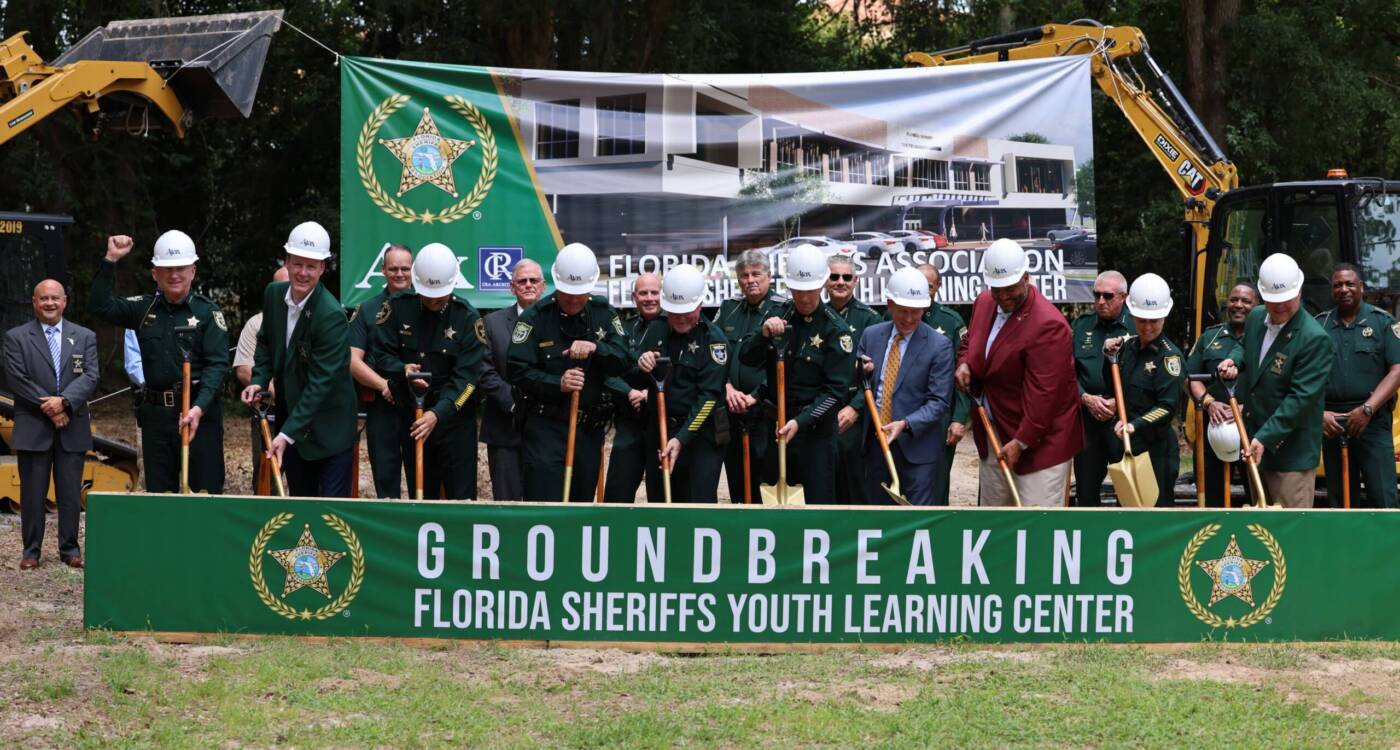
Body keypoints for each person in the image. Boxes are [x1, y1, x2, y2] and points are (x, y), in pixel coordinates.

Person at [89, 231, 230, 493]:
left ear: (193, 271)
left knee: (205, 494)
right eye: (166, 269)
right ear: (155, 274)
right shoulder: (144, 308)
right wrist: (110, 260)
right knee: (159, 495)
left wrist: (198, 409)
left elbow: (218, 366)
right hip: (156, 417)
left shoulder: (208, 313)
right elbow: (100, 306)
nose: (174, 275)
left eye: (180, 268)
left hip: (199, 415)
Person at [955, 238, 1082, 506]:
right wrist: (965, 362)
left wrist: (1020, 442)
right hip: (992, 429)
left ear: (1026, 278)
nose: (1002, 297)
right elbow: (971, 340)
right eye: (997, 289)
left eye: (1010, 289)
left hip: (1039, 442)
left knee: (1036, 526)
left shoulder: (1048, 325)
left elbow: (1045, 396)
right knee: (994, 524)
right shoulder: (984, 302)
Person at [240, 221, 359, 497]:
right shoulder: (273, 295)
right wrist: (258, 380)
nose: (302, 273)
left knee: (330, 513)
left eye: (311, 266)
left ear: (322, 268)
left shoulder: (331, 316)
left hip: (330, 432)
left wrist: (284, 434)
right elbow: (266, 343)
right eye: (297, 264)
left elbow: (320, 385)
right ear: (287, 262)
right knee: (300, 506)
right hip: (292, 424)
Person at [507, 243, 629, 502]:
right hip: (545, 429)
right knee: (544, 503)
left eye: (580, 294)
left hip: (587, 429)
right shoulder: (535, 317)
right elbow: (516, 370)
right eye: (567, 294)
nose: (574, 300)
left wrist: (597, 348)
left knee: (580, 507)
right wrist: (556, 383)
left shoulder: (603, 313)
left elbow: (624, 360)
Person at [740, 244, 855, 504]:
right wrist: (763, 334)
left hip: (814, 434)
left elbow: (835, 392)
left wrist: (800, 422)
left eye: (810, 291)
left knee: (816, 508)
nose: (804, 298)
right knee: (772, 505)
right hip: (775, 427)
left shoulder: (836, 330)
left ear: (823, 283)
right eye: (798, 290)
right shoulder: (778, 314)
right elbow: (746, 357)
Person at [369, 243, 485, 499]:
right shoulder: (397, 306)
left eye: (439, 296)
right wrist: (402, 369)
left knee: (461, 498)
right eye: (427, 294)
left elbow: (468, 381)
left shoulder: (467, 317)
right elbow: (380, 354)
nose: (433, 300)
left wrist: (437, 414)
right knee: (422, 495)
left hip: (453, 418)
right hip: (413, 415)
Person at [1217, 253, 1333, 507]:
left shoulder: (1314, 339)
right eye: (1272, 301)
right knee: (1260, 532)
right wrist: (1234, 361)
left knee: (1289, 535)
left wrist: (1264, 438)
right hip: (1255, 443)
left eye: (1285, 301)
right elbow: (1245, 345)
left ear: (1299, 292)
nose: (1279, 307)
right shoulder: (1257, 316)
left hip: (1290, 456)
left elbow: (1300, 400)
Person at [4, 280, 98, 570]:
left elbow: (92, 376)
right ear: (34, 302)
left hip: (73, 424)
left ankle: (69, 549)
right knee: (32, 493)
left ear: (65, 301)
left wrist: (65, 402)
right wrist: (52, 409)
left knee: (70, 493)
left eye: (54, 298)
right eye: (43, 298)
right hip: (34, 424)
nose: (49, 303)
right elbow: (16, 379)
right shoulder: (16, 337)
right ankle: (31, 551)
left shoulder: (84, 336)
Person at [856, 266, 953, 506]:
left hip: (917, 452)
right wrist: (860, 371)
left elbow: (939, 402)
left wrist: (906, 424)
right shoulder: (870, 335)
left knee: (914, 523)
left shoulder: (939, 345)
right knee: (878, 519)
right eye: (903, 311)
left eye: (916, 312)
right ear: (889, 304)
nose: (909, 319)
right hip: (877, 446)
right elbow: (858, 381)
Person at [632, 265, 728, 502]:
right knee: (660, 503)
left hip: (699, 436)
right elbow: (633, 374)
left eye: (688, 312)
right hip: (660, 432)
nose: (682, 318)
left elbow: (709, 399)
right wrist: (642, 365)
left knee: (696, 507)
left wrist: (681, 438)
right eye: (675, 313)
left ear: (700, 304)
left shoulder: (714, 341)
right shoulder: (655, 329)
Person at [1317, 264, 1400, 508]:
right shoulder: (1318, 326)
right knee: (1340, 503)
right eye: (1338, 285)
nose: (1344, 289)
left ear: (1361, 287)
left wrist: (1366, 410)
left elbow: (1397, 371)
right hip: (1332, 424)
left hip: (1371, 422)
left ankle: (1387, 548)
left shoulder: (1383, 323)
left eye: (1349, 284)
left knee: (1383, 499)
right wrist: (1320, 414)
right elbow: (1304, 375)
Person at [1101, 274, 1185, 507]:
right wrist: (1108, 357)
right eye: (1142, 321)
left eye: (1154, 321)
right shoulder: (1127, 348)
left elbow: (1168, 407)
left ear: (1164, 317)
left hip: (1156, 450)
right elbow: (1113, 387)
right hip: (1127, 447)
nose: (1147, 327)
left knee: (1155, 518)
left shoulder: (1169, 357)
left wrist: (1134, 425)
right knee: (1127, 513)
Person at [714, 249, 781, 503]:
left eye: (756, 274)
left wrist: (755, 396)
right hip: (731, 411)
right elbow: (716, 355)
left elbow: (783, 366)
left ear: (769, 276)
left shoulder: (782, 309)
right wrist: (728, 387)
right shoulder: (729, 309)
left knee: (765, 485)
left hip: (764, 413)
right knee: (737, 484)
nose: (750, 280)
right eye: (744, 275)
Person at [1185, 283, 1258, 506]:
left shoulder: (1264, 338)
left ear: (1257, 306)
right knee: (1211, 497)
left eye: (1246, 301)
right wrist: (1209, 403)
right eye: (1234, 300)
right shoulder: (1209, 337)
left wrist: (1248, 409)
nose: (1238, 305)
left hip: (1253, 429)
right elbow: (1190, 378)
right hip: (1213, 429)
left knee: (1258, 495)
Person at [349, 244, 413, 498]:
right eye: (393, 268)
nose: (399, 274)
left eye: (405, 268)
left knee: (425, 479)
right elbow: (353, 360)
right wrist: (384, 386)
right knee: (385, 482)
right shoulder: (367, 309)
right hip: (382, 405)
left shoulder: (429, 303)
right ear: (383, 270)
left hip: (420, 407)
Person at [479, 259, 544, 501]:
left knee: (542, 504)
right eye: (522, 281)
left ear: (543, 285)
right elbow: (484, 370)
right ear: (512, 287)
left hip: (545, 429)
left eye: (533, 280)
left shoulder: (556, 322)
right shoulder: (491, 323)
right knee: (507, 504)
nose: (528, 285)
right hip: (504, 429)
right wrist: (513, 402)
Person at [909, 263, 971, 504]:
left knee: (936, 484)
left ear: (938, 288)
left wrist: (959, 419)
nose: (923, 290)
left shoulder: (951, 321)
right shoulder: (894, 315)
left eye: (929, 286)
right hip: (904, 411)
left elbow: (963, 375)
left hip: (939, 416)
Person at [1070, 270, 1131, 506]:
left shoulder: (1137, 326)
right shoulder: (1081, 326)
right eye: (1096, 295)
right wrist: (1085, 398)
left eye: (1107, 296)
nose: (1100, 301)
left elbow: (1141, 375)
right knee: (1086, 491)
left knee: (1127, 491)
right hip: (1087, 419)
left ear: (1123, 297)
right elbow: (1066, 373)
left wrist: (1119, 401)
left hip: (1122, 420)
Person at [602, 273, 662, 502]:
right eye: (643, 293)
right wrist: (630, 392)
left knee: (661, 495)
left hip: (662, 424)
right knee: (617, 494)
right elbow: (609, 372)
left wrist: (652, 393)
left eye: (654, 292)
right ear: (634, 297)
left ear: (662, 295)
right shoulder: (624, 330)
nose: (649, 298)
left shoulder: (675, 326)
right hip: (629, 422)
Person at [827, 255, 881, 502]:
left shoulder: (870, 320)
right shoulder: (814, 315)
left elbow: (878, 373)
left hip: (854, 415)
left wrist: (856, 408)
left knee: (855, 488)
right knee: (824, 487)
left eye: (846, 277)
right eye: (834, 276)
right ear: (825, 281)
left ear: (855, 281)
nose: (840, 282)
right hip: (820, 410)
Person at [234, 265, 290, 494]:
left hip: (307, 414)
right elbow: (244, 370)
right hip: (269, 413)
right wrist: (282, 392)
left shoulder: (316, 317)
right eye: (280, 286)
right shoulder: (257, 323)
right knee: (266, 478)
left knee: (307, 477)